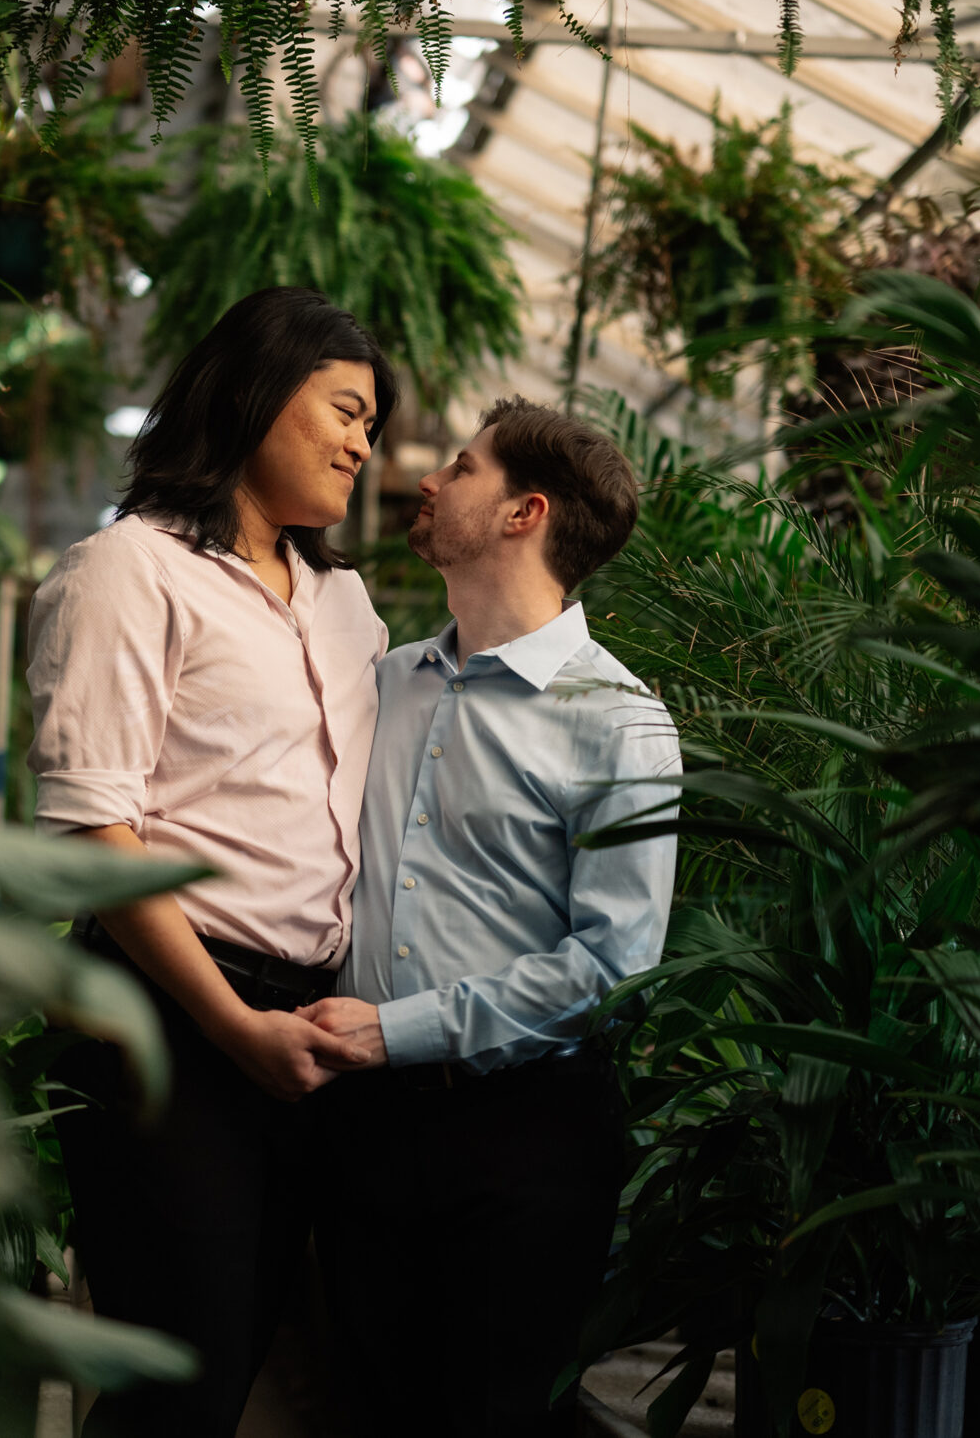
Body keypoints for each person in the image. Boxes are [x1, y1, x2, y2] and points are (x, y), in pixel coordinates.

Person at [25, 286, 396, 1437]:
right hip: (171, 1017)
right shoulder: (129, 571)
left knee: (236, 1368)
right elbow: (94, 832)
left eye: (371, 426)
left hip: (311, 1029)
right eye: (343, 409)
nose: (360, 445)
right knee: (170, 1390)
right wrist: (234, 1026)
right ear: (251, 393)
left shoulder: (346, 603)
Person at [299, 395, 678, 1437]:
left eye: (460, 467)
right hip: (359, 1122)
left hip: (526, 1135)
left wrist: (395, 1028)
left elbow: (611, 963)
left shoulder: (619, 724)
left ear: (524, 514)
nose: (428, 478)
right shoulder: (378, 684)